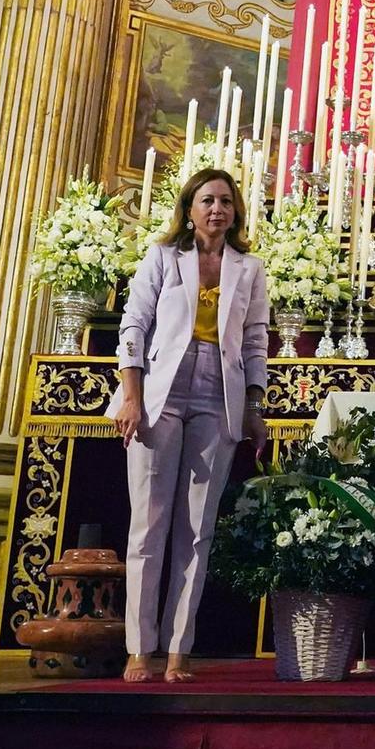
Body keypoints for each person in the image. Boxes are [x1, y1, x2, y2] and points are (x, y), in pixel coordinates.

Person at [107, 168, 271, 683]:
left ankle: (179, 650)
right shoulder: (163, 257)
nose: (216, 209)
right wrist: (131, 397)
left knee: (198, 530)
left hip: (217, 394)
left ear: (236, 212)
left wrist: (253, 405)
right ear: (190, 207)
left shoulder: (249, 267)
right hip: (160, 389)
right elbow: (134, 325)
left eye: (225, 201)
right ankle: (140, 648)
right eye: (207, 200)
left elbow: (255, 341)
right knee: (149, 525)